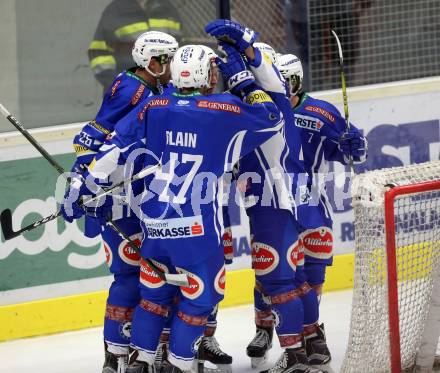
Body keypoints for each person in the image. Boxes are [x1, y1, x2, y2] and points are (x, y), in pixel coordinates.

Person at [63, 37, 284, 373]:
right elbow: (271, 117)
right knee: (200, 299)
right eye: (212, 70)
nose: (215, 76)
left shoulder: (153, 106)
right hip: (194, 229)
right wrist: (242, 78)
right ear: (201, 74)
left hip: (154, 226)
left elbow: (113, 148)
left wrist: (86, 183)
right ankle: (179, 365)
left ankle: (140, 362)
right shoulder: (223, 109)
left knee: (152, 299)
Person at [205, 22, 325, 373]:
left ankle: (294, 354)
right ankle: (312, 343)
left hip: (276, 203)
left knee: (277, 281)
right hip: (279, 201)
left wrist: (246, 51)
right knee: (296, 277)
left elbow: (265, 83)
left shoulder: (266, 105)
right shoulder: (260, 102)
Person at [64, 31, 179, 373]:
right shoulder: (132, 89)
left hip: (139, 194)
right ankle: (115, 356)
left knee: (153, 275)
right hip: (114, 197)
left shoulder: (155, 86)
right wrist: (79, 181)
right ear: (154, 63)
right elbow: (91, 138)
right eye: (170, 59)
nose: (175, 66)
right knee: (129, 276)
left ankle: (146, 351)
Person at [275, 53, 368, 365]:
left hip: (312, 205)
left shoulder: (322, 112)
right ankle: (278, 334)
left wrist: (353, 144)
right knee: (280, 277)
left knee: (311, 278)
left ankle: (311, 337)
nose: (282, 87)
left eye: (287, 81)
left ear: (298, 80)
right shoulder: (263, 111)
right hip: (276, 205)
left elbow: (351, 150)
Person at [88, 0, 182, 90]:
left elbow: (179, 49)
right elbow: (99, 52)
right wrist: (116, 84)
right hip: (128, 91)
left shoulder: (166, 8)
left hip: (164, 91)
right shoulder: (115, 11)